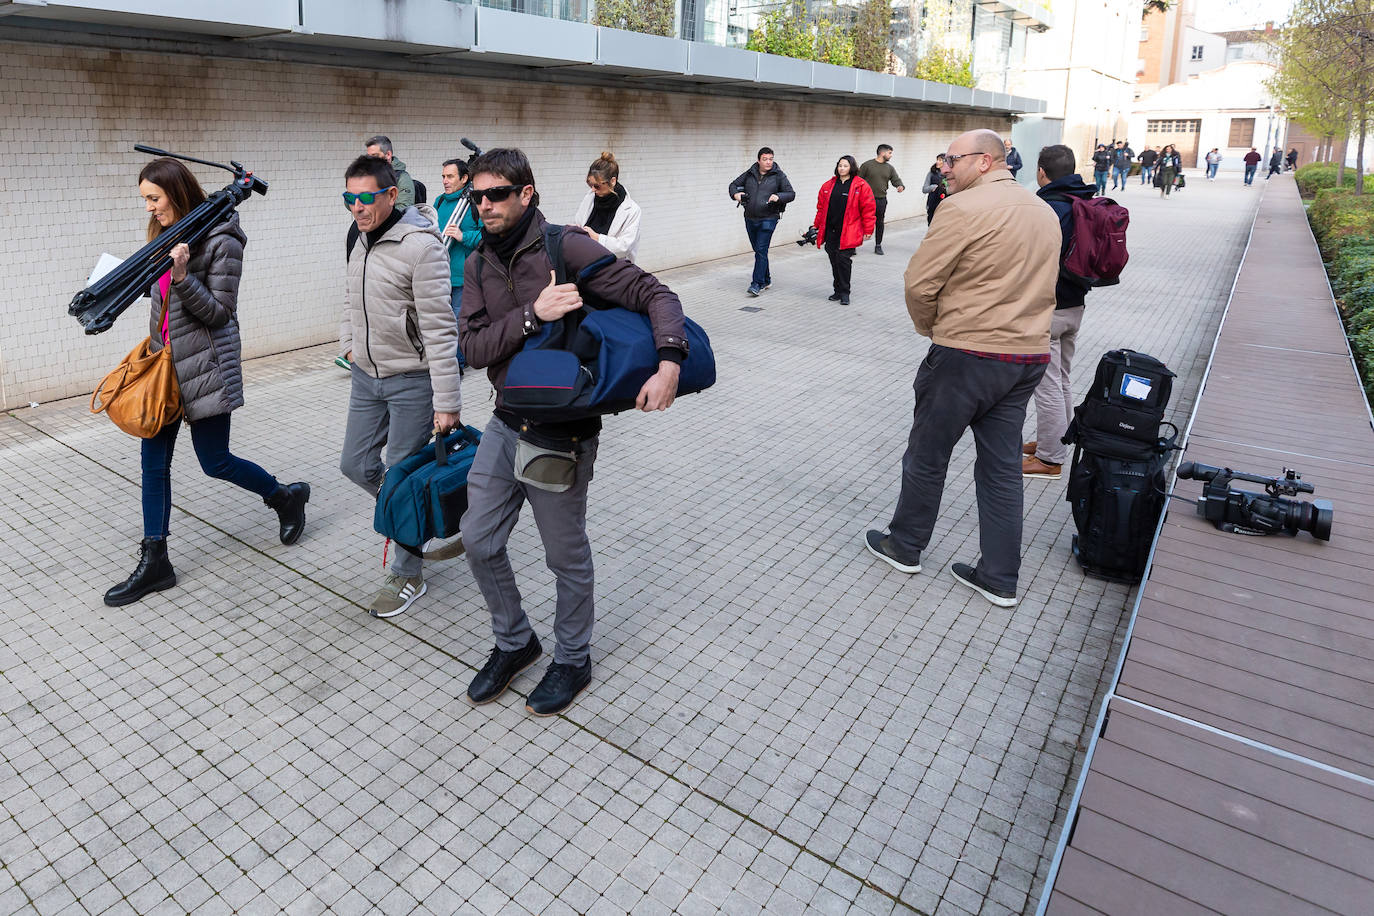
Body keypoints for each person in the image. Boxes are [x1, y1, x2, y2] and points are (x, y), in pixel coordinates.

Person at [458, 148, 688, 716]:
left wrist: (669, 363)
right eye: (475, 196)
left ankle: (573, 658)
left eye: (496, 195)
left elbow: (655, 294)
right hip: (506, 418)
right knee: (479, 539)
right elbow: (473, 347)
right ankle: (516, 642)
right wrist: (533, 314)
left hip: (562, 429)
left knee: (564, 556)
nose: (483, 205)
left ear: (526, 194)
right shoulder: (476, 262)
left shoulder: (567, 245)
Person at [863, 129, 1059, 608]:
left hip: (967, 355)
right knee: (1002, 468)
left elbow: (919, 285)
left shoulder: (962, 209)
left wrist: (934, 330)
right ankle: (1000, 576)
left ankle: (905, 545)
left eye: (952, 159)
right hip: (1026, 358)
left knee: (928, 453)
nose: (944, 167)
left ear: (986, 161)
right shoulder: (1045, 212)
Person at [104, 158, 311, 607]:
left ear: (176, 194)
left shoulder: (222, 238)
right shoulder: (163, 236)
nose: (148, 208)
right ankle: (156, 559)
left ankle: (285, 498)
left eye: (153, 199)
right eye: (144, 200)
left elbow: (219, 312)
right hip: (164, 370)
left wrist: (180, 278)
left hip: (204, 369)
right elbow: (161, 300)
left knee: (215, 462)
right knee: (153, 465)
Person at [338, 155, 463, 619]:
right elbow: (353, 298)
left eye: (366, 197)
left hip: (412, 381)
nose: (357, 206)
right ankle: (417, 512)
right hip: (366, 376)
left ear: (392, 194)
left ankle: (408, 573)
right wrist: (349, 343)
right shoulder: (360, 239)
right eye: (349, 198)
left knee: (402, 476)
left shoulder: (420, 245)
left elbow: (439, 327)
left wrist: (447, 401)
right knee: (355, 464)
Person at [1023, 145, 1097, 481]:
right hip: (1075, 305)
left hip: (1049, 309)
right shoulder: (1083, 202)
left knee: (1046, 384)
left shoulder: (1047, 207)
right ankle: (1057, 441)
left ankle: (1050, 459)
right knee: (1062, 380)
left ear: (1042, 172)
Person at [435, 157, 483, 370]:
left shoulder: (474, 203)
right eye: (443, 176)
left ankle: (458, 362)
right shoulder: (440, 202)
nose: (445, 181)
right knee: (443, 322)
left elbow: (487, 236)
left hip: (464, 275)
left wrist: (464, 236)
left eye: (450, 176)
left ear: (464, 178)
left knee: (457, 321)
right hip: (440, 273)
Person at [728, 147, 796, 297]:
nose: (768, 162)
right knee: (759, 251)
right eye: (765, 159)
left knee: (760, 249)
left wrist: (779, 196)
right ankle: (766, 279)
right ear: (759, 160)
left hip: (769, 218)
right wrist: (736, 194)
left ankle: (756, 284)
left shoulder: (778, 175)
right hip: (750, 218)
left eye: (771, 159)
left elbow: (791, 194)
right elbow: (732, 185)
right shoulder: (750, 173)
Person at [811, 155, 876, 305]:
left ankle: (845, 292)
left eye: (845, 166)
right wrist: (816, 225)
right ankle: (837, 291)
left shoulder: (860, 185)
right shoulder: (828, 185)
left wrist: (868, 229)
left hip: (849, 231)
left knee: (844, 261)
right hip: (831, 230)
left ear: (851, 168)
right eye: (840, 165)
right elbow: (821, 209)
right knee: (834, 260)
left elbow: (868, 209)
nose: (842, 168)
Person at [571, 151, 642, 262]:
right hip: (585, 265)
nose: (593, 189)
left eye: (597, 186)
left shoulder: (632, 210)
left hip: (614, 271)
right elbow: (579, 223)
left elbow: (625, 247)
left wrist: (597, 238)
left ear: (613, 181)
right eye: (590, 185)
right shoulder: (590, 198)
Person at [858, 144, 905, 255]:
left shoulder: (889, 168)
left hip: (881, 200)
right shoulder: (867, 165)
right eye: (889, 153)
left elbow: (896, 179)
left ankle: (878, 245)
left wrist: (900, 186)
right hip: (866, 200)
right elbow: (857, 181)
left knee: (879, 222)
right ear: (882, 153)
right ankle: (854, 245)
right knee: (860, 222)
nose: (891, 155)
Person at [365, 135, 417, 210]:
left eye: (374, 156)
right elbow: (350, 204)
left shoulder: (402, 178)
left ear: (388, 155)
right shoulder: (368, 176)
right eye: (369, 157)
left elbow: (403, 210)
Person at [923, 155, 948, 225]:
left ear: (946, 162)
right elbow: (924, 189)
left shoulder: (950, 174)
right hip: (932, 204)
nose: (937, 162)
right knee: (931, 224)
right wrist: (933, 187)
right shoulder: (931, 173)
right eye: (937, 160)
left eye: (940, 160)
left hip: (945, 204)